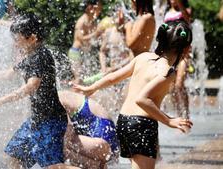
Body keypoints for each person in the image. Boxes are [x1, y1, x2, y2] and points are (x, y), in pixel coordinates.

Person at [73, 20, 193, 169]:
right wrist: (169, 120)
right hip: (141, 125)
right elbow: (142, 99)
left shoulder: (143, 57)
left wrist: (91, 87)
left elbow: (113, 77)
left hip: (123, 121)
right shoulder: (168, 72)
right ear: (187, 48)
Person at [0, 14, 73, 169]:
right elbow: (9, 73)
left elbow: (30, 87)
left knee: (54, 166)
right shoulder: (32, 56)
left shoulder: (41, 57)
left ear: (32, 38)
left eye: (17, 39)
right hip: (37, 120)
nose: (15, 44)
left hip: (50, 122)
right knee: (14, 156)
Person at [58, 90, 119, 169]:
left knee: (58, 149)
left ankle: (94, 165)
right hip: (108, 137)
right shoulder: (62, 94)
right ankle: (96, 165)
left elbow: (68, 130)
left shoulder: (55, 99)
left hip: (99, 139)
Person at [164, 0, 192, 118]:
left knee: (179, 84)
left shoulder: (185, 10)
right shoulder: (166, 11)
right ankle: (179, 115)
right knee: (171, 87)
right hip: (170, 53)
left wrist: (179, 4)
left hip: (183, 53)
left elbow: (187, 19)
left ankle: (186, 114)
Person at [68, 0, 102, 84]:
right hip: (76, 52)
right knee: (79, 79)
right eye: (98, 8)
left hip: (85, 53)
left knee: (85, 80)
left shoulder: (92, 21)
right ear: (90, 8)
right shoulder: (81, 21)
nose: (100, 10)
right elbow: (80, 38)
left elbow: (95, 37)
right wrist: (96, 33)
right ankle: (74, 95)